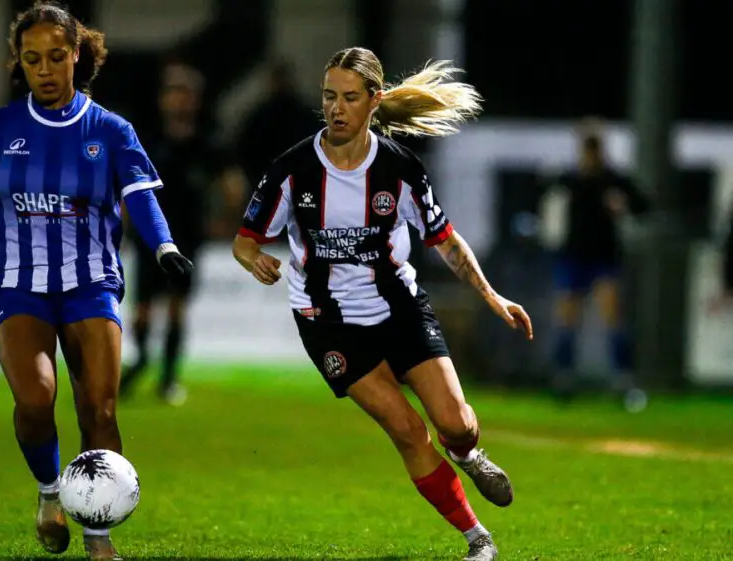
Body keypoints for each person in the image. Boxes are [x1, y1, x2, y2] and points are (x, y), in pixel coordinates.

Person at [0, 2, 193, 559]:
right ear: (20, 64)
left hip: (91, 283)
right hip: (17, 283)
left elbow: (140, 198)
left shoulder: (110, 129)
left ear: (76, 55)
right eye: (32, 59)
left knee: (100, 410)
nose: (46, 69)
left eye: (57, 56)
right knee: (36, 399)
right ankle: (50, 492)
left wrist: (165, 248)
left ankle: (98, 533)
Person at [232, 48, 533, 561]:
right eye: (329, 96)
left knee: (456, 423)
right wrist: (253, 258)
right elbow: (245, 239)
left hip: (400, 308)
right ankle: (477, 539)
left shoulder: (398, 168)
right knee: (407, 429)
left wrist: (492, 296)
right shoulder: (292, 170)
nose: (337, 108)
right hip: (327, 323)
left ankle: (469, 454)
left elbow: (447, 242)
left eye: (350, 97)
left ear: (374, 101)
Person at [119, 60, 245, 405]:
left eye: (185, 93)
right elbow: (127, 185)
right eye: (173, 92)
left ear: (196, 100)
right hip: (149, 236)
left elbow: (233, 185)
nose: (179, 100)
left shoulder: (208, 141)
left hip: (187, 237)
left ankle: (168, 379)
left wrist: (225, 220)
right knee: (143, 308)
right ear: (163, 99)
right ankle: (142, 358)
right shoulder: (146, 139)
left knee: (176, 307)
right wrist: (122, 223)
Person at [542, 119, 651, 403]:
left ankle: (623, 380)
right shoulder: (571, 179)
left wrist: (623, 206)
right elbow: (547, 199)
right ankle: (564, 377)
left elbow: (643, 206)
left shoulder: (614, 180)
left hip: (604, 256)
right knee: (567, 318)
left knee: (613, 317)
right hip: (574, 255)